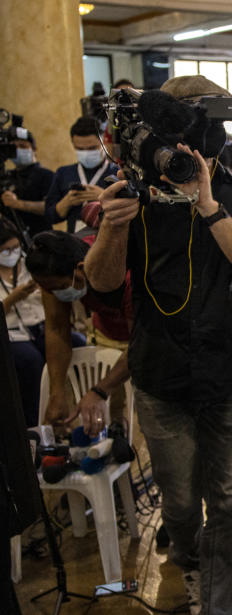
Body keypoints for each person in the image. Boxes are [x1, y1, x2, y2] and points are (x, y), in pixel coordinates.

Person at [85, 76, 232, 615]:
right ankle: (191, 561)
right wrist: (111, 230)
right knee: (177, 497)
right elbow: (99, 286)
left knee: (228, 500)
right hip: (161, 377)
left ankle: (216, 610)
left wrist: (209, 205)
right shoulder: (133, 194)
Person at [25, 231, 132, 426]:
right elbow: (57, 329)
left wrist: (100, 390)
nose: (52, 294)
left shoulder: (126, 274)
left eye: (59, 288)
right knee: (108, 416)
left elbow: (141, 344)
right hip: (106, 332)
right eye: (47, 290)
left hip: (145, 335)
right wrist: (56, 393)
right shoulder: (53, 273)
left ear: (81, 269)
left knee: (144, 405)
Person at [1, 219, 45, 426]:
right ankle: (33, 423)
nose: (12, 253)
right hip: (11, 333)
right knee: (30, 360)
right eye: (6, 250)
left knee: (78, 342)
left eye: (15, 248)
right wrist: (12, 298)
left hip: (40, 324)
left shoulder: (30, 263)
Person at [45, 116, 118, 233]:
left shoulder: (117, 173)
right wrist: (66, 202)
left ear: (103, 141)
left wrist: (105, 198)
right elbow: (50, 216)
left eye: (92, 148)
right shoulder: (63, 173)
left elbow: (132, 213)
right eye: (80, 149)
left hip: (109, 238)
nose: (86, 153)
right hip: (75, 243)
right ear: (73, 144)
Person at [2, 130, 54, 236]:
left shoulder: (46, 175)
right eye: (14, 147)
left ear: (34, 149)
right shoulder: (7, 177)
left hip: (40, 237)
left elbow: (52, 208)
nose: (18, 150)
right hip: (12, 241)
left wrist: (18, 204)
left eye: (23, 146)